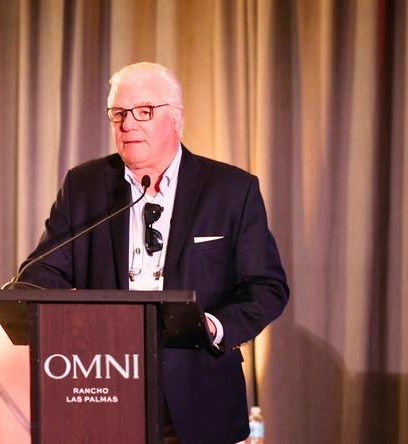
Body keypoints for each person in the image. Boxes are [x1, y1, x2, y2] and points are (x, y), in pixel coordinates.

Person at [16, 62, 289, 443]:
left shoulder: (230, 189)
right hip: (103, 386)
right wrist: (37, 299)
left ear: (175, 118)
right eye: (118, 114)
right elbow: (44, 271)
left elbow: (267, 287)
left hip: (200, 394)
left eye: (143, 111)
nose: (128, 124)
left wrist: (213, 326)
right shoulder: (85, 186)